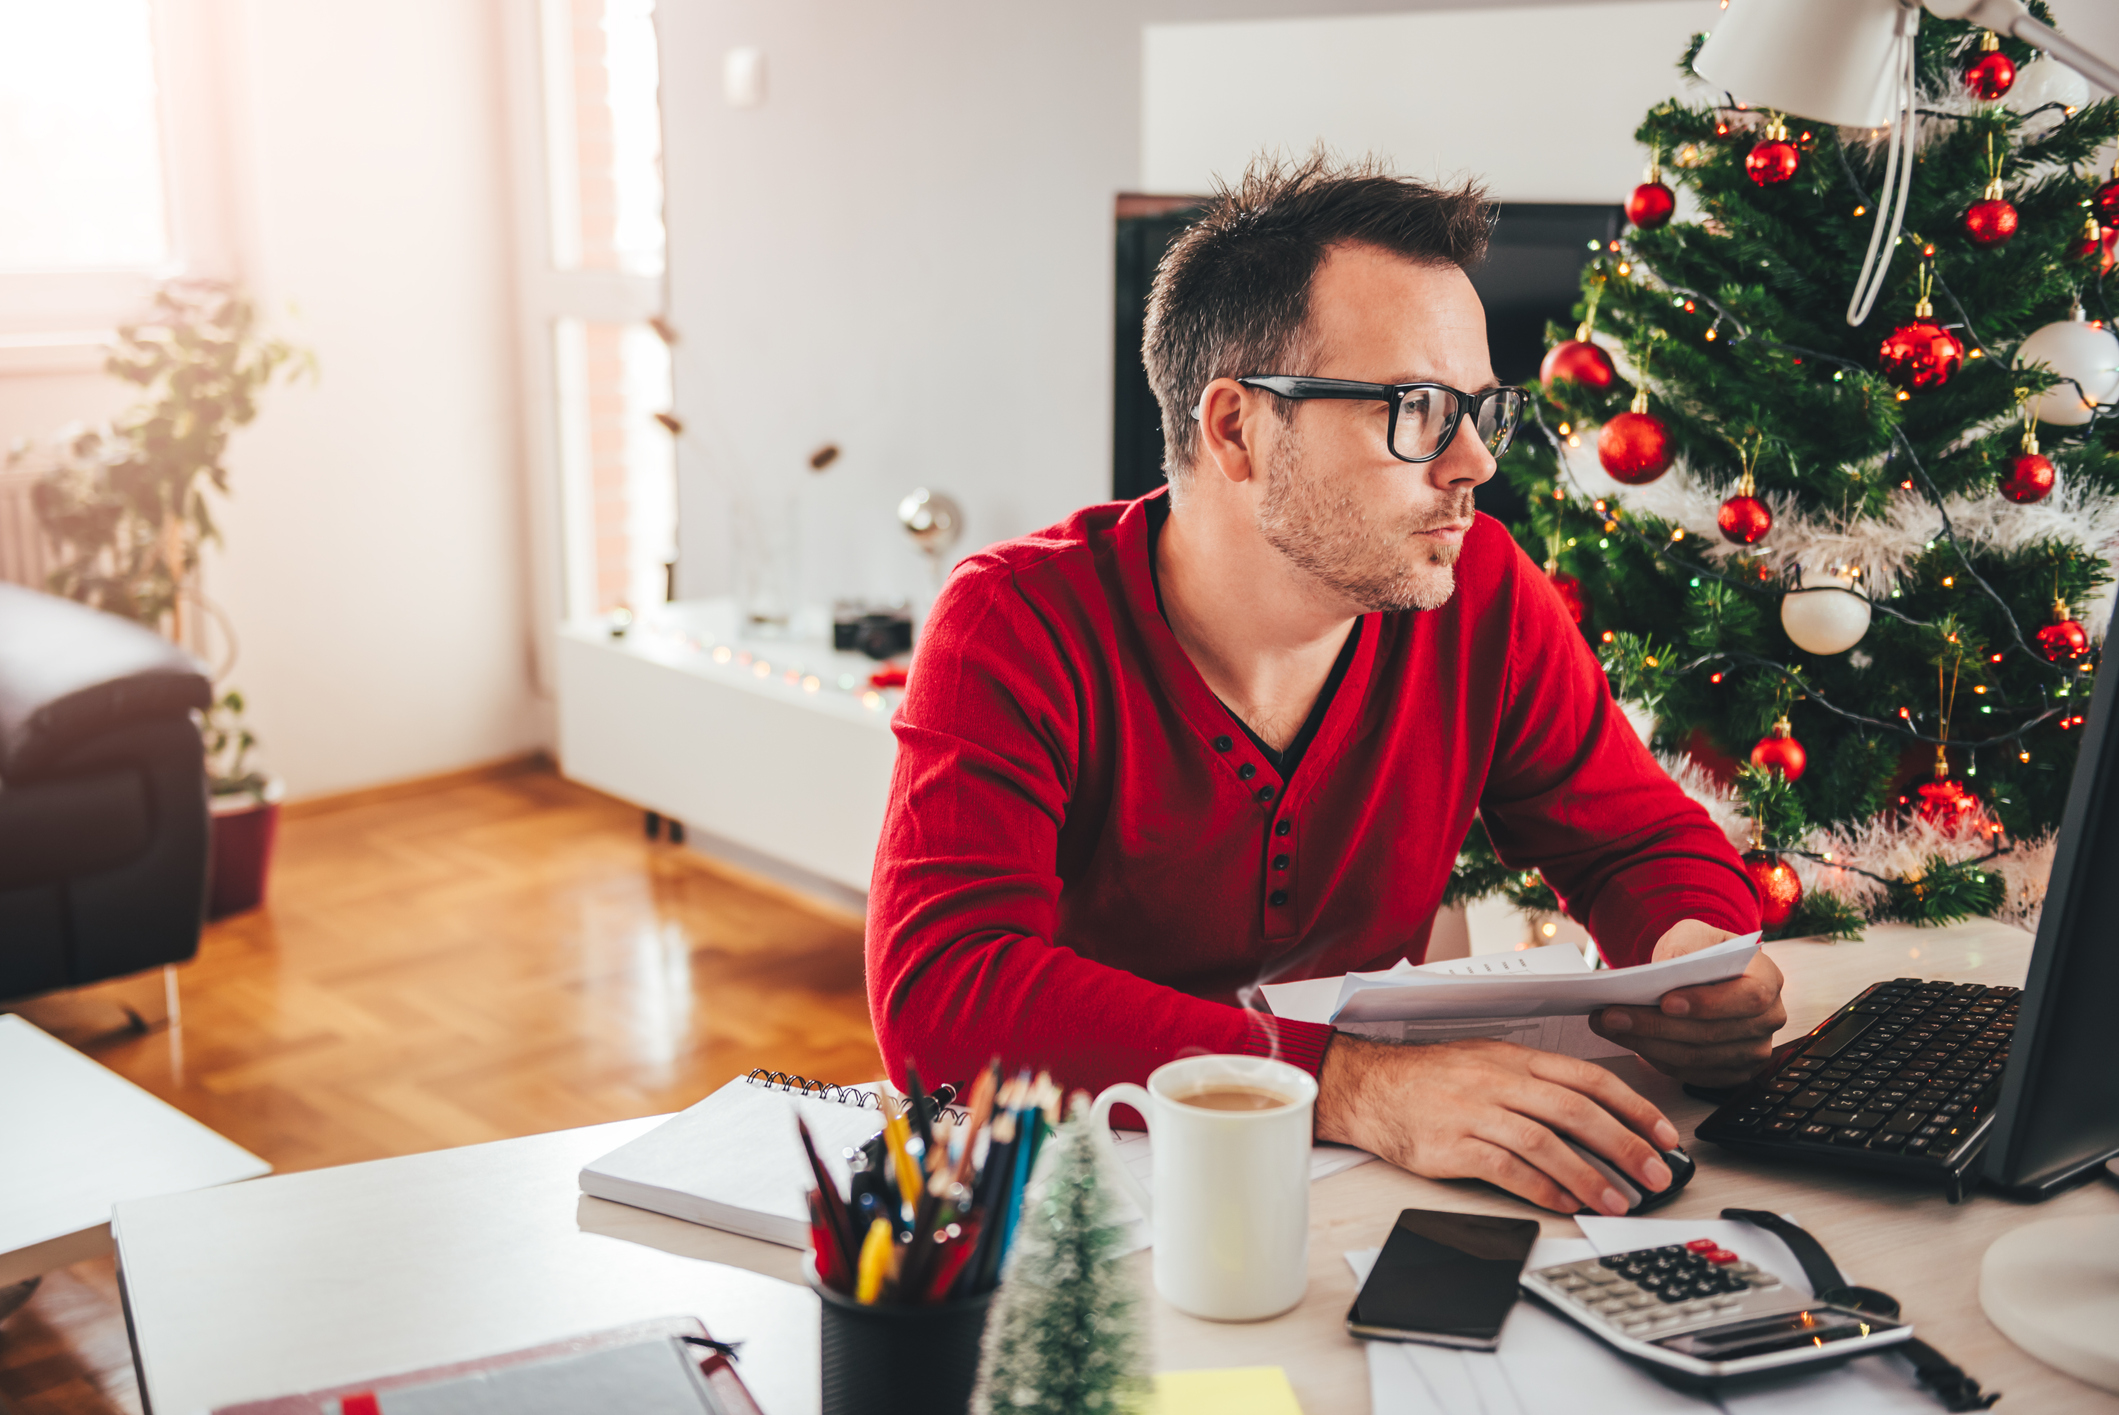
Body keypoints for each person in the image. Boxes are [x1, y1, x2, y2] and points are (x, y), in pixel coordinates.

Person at [866, 153, 1778, 1218]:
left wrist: (1694, 957)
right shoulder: (1014, 622)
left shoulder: (1477, 586)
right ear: (1236, 427)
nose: (1475, 463)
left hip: (1356, 1194)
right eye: (1419, 407)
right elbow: (946, 989)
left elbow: (1634, 841)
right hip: (1087, 1203)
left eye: (1481, 410)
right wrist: (1345, 1083)